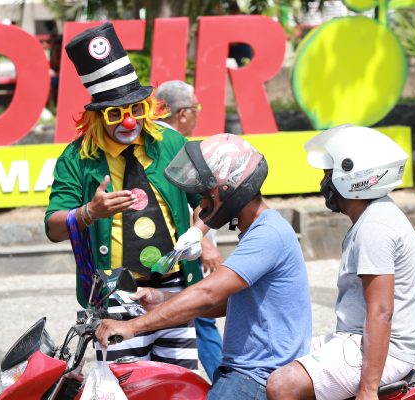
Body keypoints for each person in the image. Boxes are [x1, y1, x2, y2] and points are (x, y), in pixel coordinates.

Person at [45, 22, 211, 370]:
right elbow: (53, 227)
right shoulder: (77, 158)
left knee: (179, 383)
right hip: (116, 294)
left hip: (175, 288)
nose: (128, 121)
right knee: (125, 384)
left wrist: (199, 235)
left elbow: (209, 202)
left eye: (136, 109)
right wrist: (89, 212)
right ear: (97, 117)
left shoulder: (170, 144)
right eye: (115, 113)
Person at [96, 133, 313, 400]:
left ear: (228, 189)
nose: (201, 204)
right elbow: (227, 304)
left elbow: (207, 293)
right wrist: (161, 298)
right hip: (244, 371)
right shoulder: (258, 231)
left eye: (205, 194)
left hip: (255, 377)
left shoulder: (267, 234)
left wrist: (134, 326)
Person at [266, 125, 415, 400]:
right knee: (274, 358)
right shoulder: (373, 217)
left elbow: (381, 311)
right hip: (356, 340)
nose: (324, 183)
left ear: (353, 176)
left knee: (283, 385)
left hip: (383, 350)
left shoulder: (375, 227)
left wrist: (368, 389)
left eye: (329, 174)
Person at [155, 79, 223, 381]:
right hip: (187, 254)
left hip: (170, 254)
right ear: (182, 113)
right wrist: (206, 244)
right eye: (196, 109)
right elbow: (192, 202)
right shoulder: (176, 146)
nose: (197, 115)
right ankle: (223, 382)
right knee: (201, 314)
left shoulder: (153, 143)